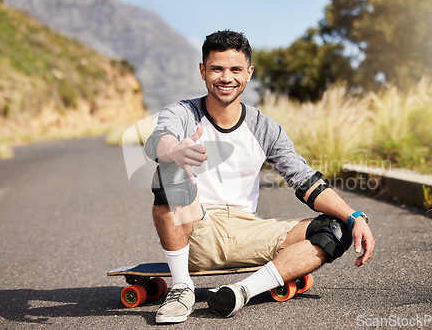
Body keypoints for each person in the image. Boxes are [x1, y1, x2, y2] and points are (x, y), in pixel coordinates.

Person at [144, 30, 375, 324]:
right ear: (203, 71)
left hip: (249, 233)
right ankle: (181, 288)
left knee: (337, 226)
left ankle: (241, 292)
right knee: (168, 169)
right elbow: (158, 140)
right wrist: (174, 150)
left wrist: (355, 217)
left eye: (235, 69)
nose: (226, 77)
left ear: (249, 73)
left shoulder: (264, 127)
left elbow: (305, 180)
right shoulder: (183, 113)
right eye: (217, 68)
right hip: (195, 230)